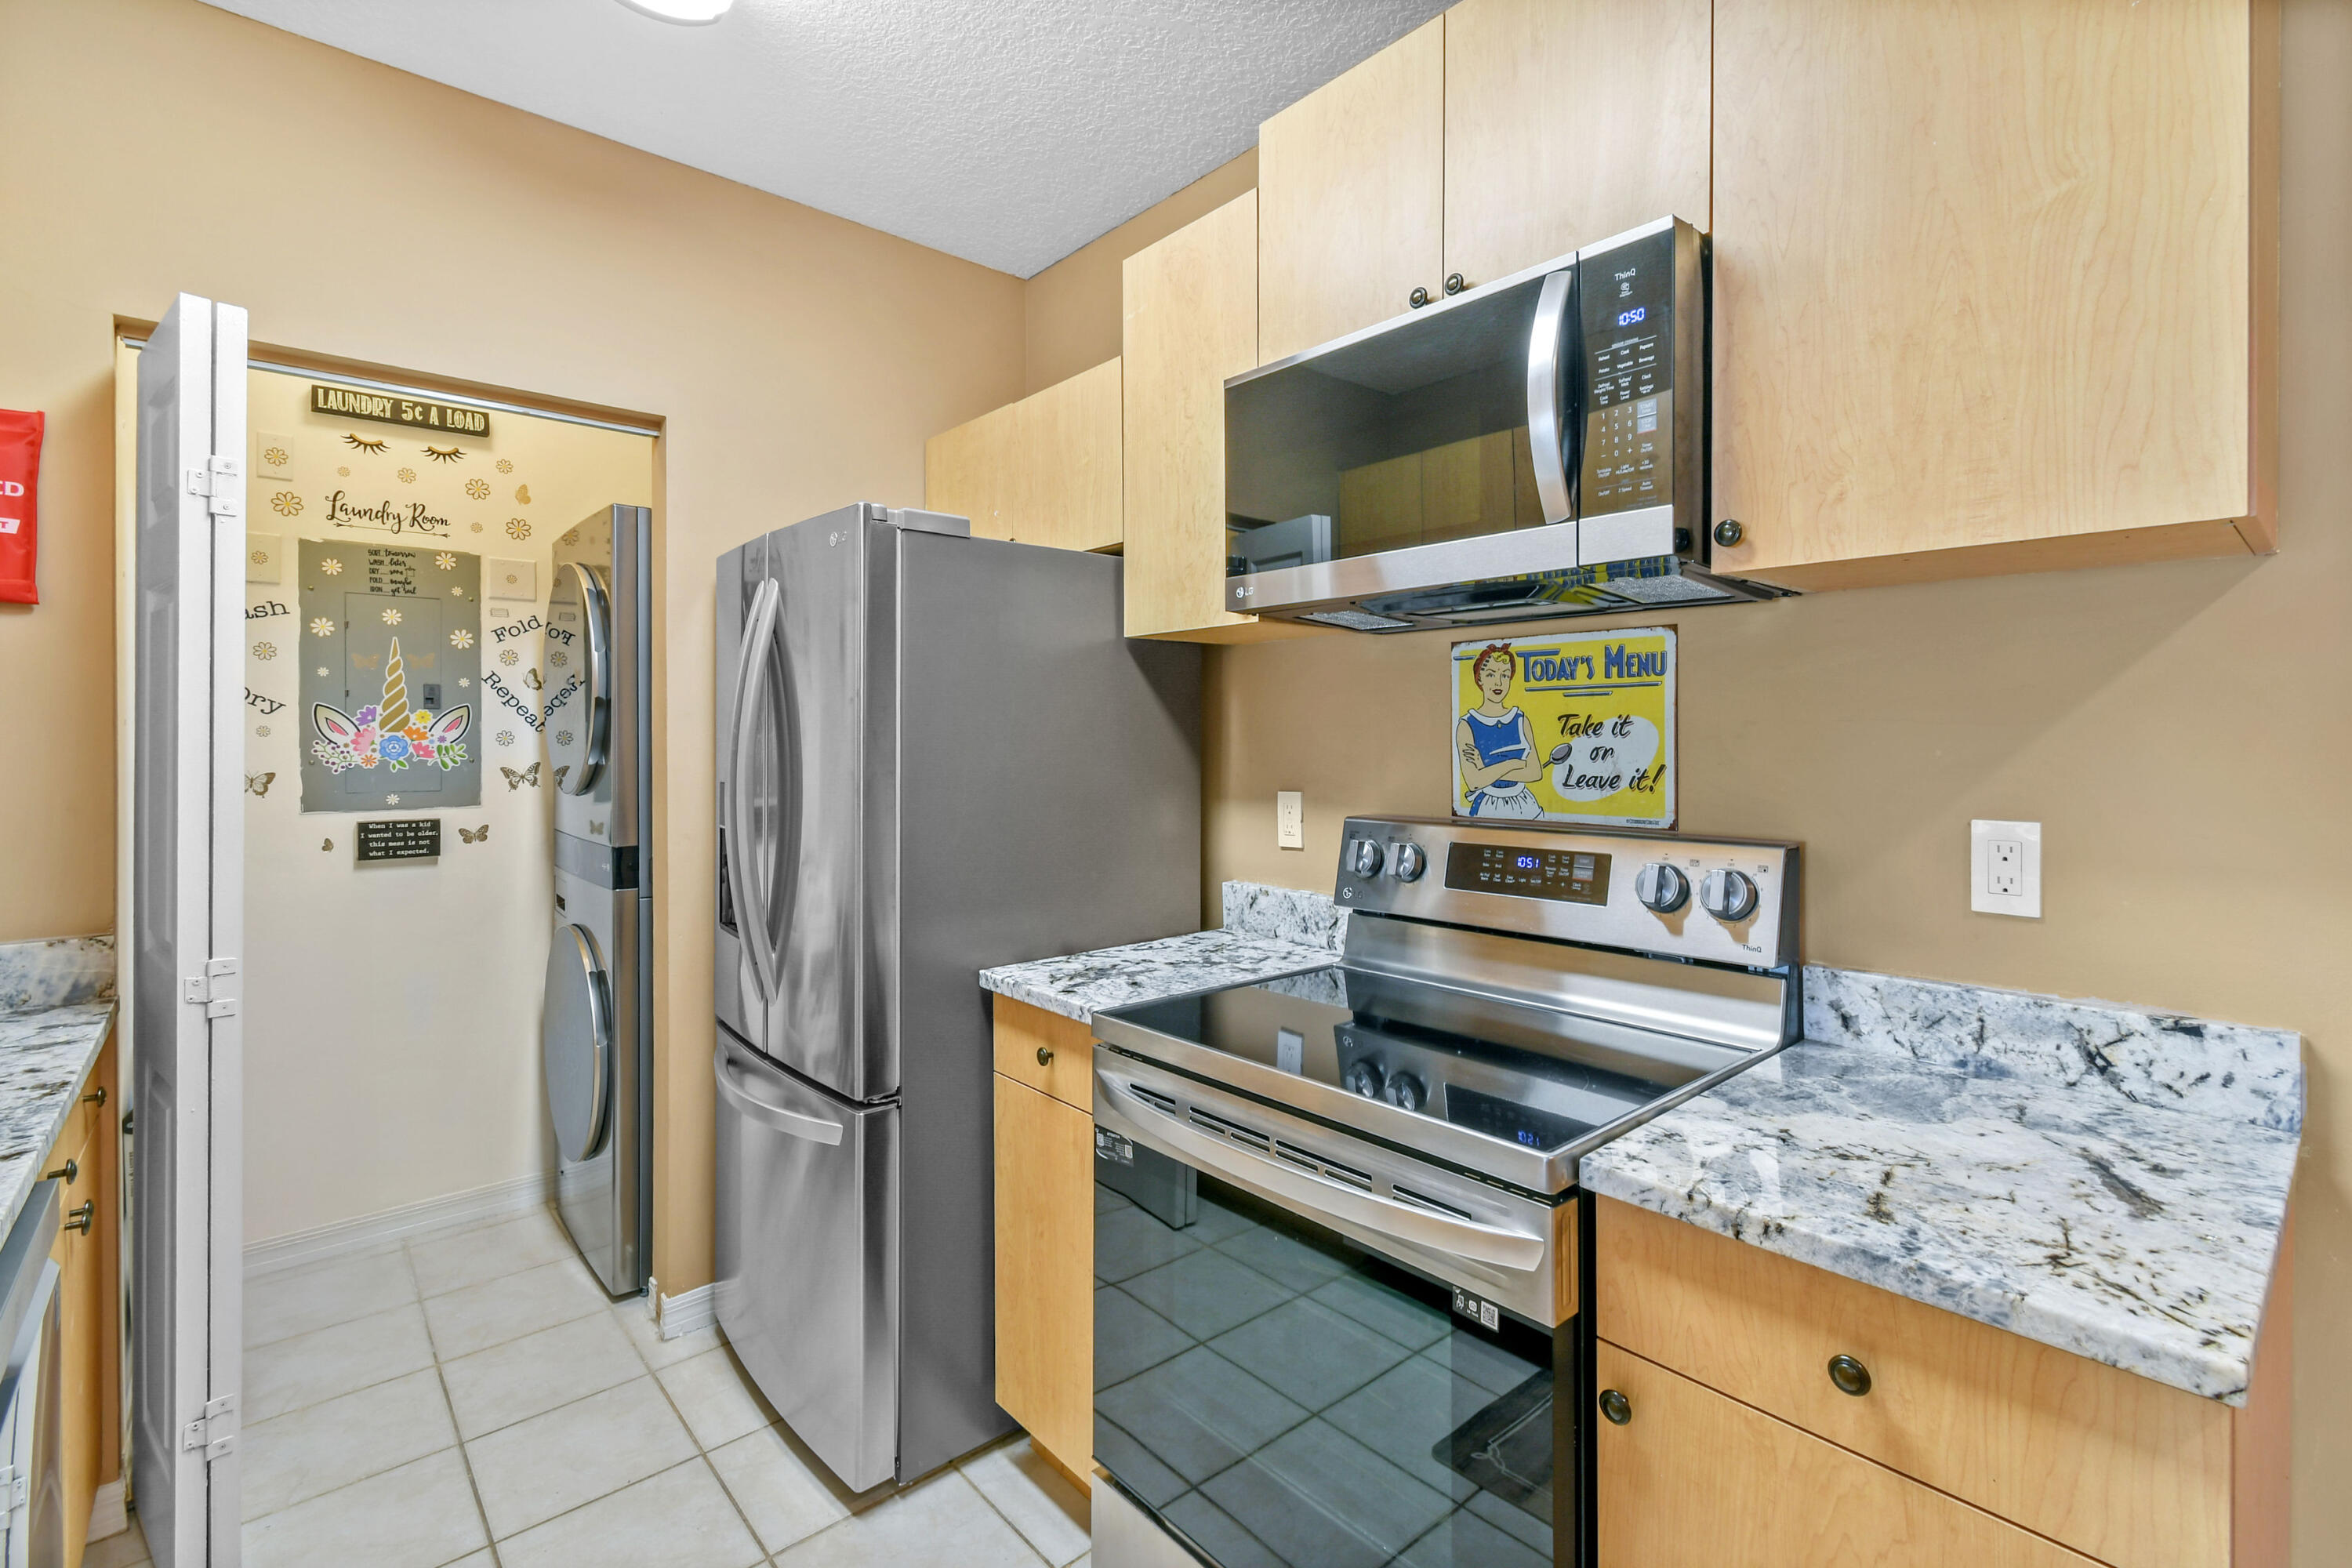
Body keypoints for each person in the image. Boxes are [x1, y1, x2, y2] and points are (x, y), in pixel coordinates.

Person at [1457, 644, 1544, 818]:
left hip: (1525, 804)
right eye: (1490, 674)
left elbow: (1535, 773)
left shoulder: (1520, 720)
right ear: (1479, 679)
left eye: (1504, 675)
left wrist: (1485, 768)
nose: (1498, 682)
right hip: (1488, 806)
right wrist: (1515, 763)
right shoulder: (1467, 725)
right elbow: (1474, 782)